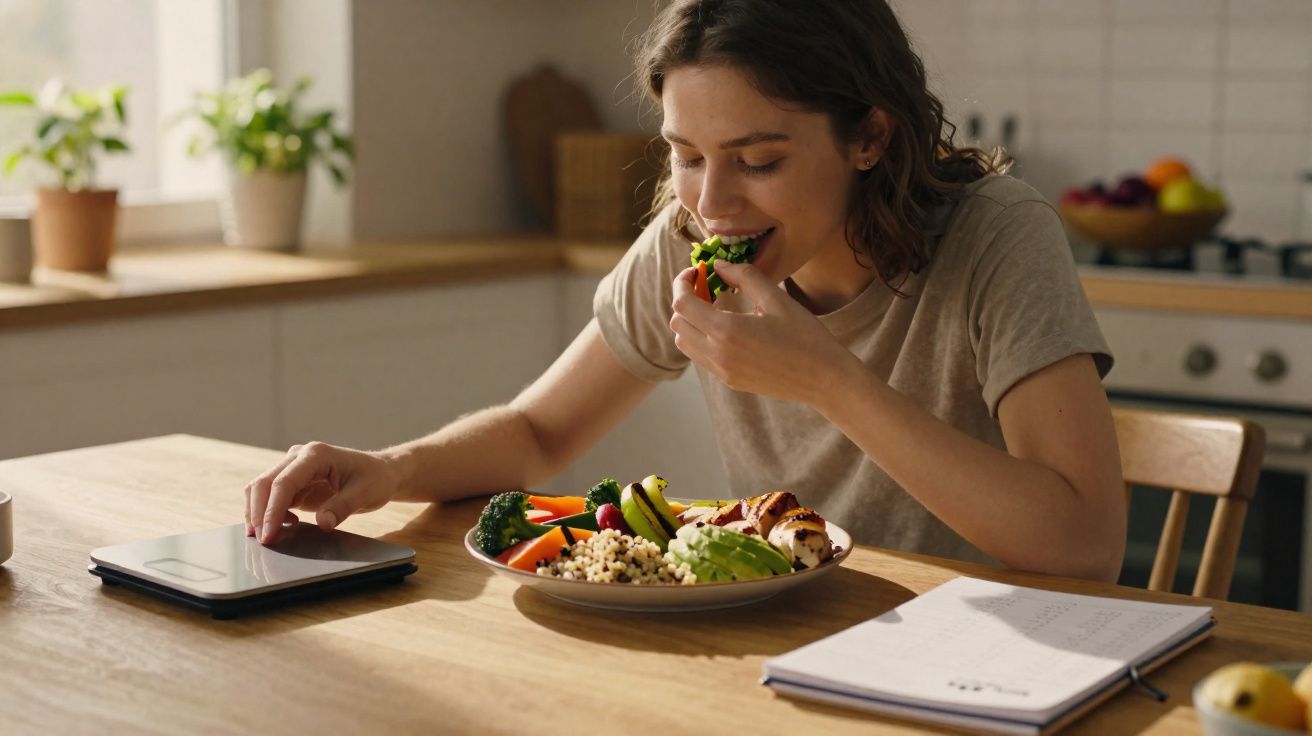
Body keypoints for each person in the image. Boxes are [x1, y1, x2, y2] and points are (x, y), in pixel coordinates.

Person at [245, 0, 1126, 582]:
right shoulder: (690, 238)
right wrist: (390, 468)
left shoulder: (996, 236)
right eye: (687, 154)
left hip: (994, 658)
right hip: (796, 637)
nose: (712, 201)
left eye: (760, 160)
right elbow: (540, 429)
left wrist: (826, 379)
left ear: (869, 138)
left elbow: (1085, 545)